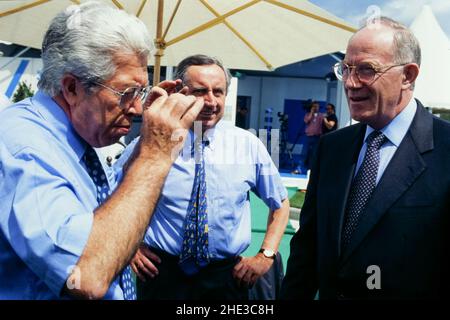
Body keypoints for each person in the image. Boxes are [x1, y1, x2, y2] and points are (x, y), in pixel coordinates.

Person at [0, 2, 203, 300]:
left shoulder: (72, 137)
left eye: (141, 92)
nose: (136, 109)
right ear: (72, 88)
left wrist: (145, 144)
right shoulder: (23, 146)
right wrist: (154, 154)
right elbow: (85, 276)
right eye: (127, 93)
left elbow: (107, 221)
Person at [281, 16, 450, 299]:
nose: (350, 82)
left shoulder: (445, 149)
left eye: (366, 70)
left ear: (408, 76)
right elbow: (306, 250)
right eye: (345, 69)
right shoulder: (333, 148)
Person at [116, 54, 290, 300]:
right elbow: (110, 193)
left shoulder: (247, 144)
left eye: (218, 92)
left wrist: (266, 255)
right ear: (180, 92)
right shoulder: (152, 141)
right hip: (161, 277)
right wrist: (128, 247)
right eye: (200, 91)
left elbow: (281, 204)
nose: (210, 101)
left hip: (227, 280)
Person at [292, 101, 323, 174]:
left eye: (317, 106)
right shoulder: (308, 115)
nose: (315, 108)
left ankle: (312, 170)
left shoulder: (321, 116)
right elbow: (306, 121)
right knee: (304, 153)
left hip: (317, 138)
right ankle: (299, 169)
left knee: (315, 154)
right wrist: (311, 113)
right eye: (314, 106)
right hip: (308, 137)